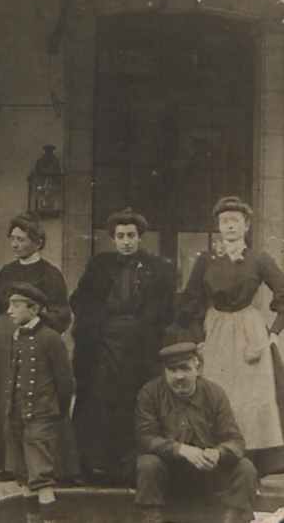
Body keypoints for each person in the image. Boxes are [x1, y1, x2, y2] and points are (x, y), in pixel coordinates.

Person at [176, 195, 284, 475]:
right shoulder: (206, 260)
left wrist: (273, 333)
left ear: (246, 225)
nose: (230, 226)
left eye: (235, 220)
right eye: (224, 221)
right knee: (216, 390)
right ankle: (217, 455)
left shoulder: (259, 259)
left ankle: (254, 460)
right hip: (216, 329)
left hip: (249, 329)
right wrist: (198, 337)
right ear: (219, 227)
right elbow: (190, 301)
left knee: (252, 395)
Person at [70, 208, 176, 484]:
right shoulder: (98, 267)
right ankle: (96, 465)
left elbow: (167, 309)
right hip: (104, 347)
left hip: (140, 348)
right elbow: (80, 300)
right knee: (101, 403)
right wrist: (97, 323)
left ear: (140, 238)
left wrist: (146, 326)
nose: (126, 241)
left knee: (136, 403)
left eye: (131, 235)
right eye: (120, 236)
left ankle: (131, 469)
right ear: (113, 239)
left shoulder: (158, 269)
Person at [0, 212, 71, 475]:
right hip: (2, 349)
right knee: (0, 399)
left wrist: (38, 329)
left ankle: (35, 466)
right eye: (13, 239)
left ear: (37, 241)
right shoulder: (6, 271)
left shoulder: (50, 273)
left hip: (34, 348)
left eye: (21, 239)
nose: (15, 244)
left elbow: (62, 314)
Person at [135, 339, 258, 523]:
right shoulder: (150, 393)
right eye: (172, 370)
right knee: (148, 464)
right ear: (165, 371)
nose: (179, 376)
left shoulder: (215, 393)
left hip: (208, 472)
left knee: (245, 468)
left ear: (197, 367)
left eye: (185, 369)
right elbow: (145, 438)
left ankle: (233, 520)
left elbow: (236, 440)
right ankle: (152, 520)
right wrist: (180, 449)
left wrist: (218, 453)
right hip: (169, 472)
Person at [4, 282, 78, 523]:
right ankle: (32, 519)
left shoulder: (50, 338)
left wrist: (55, 412)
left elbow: (65, 382)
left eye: (16, 305)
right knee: (24, 475)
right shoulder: (17, 335)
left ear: (34, 309)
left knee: (41, 476)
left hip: (41, 417)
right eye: (10, 305)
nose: (10, 311)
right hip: (18, 415)